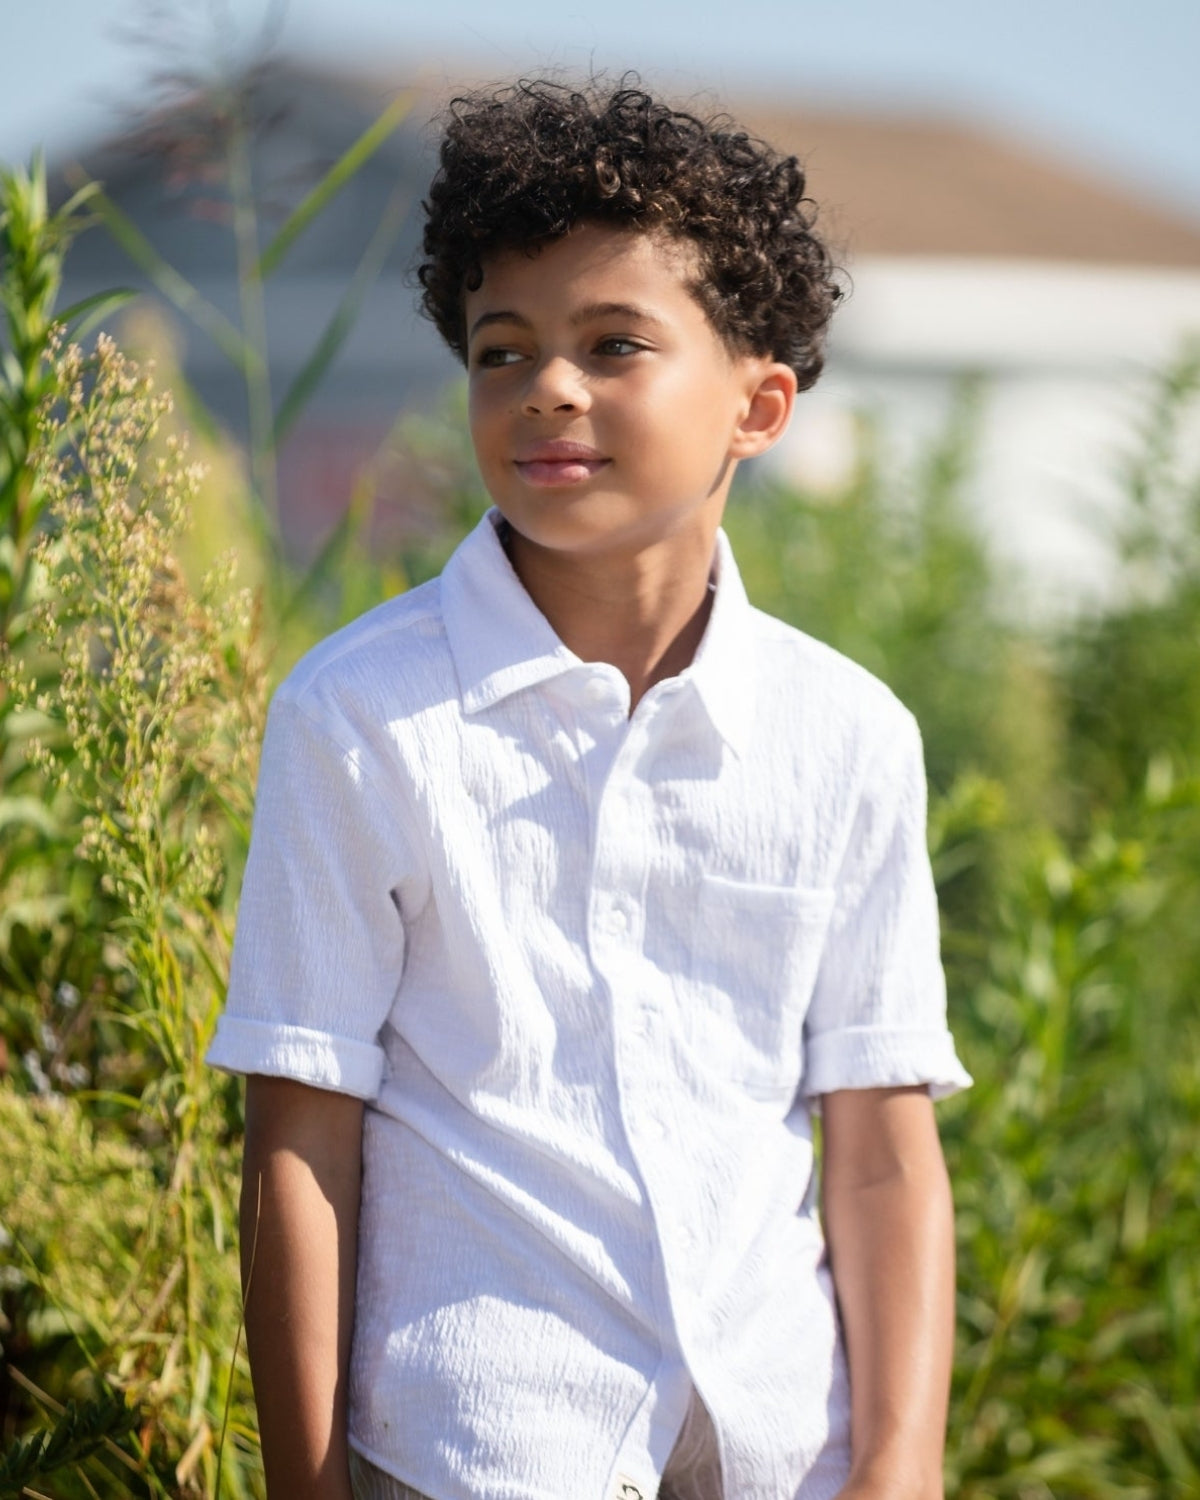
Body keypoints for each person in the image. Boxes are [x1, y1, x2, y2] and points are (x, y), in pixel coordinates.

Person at [207, 78, 972, 1500]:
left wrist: (900, 1465)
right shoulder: (360, 720)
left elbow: (879, 1145)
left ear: (760, 405)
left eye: (615, 344)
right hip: (475, 1454)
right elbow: (299, 1141)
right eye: (504, 351)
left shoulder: (847, 735)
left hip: (776, 1453)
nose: (548, 386)